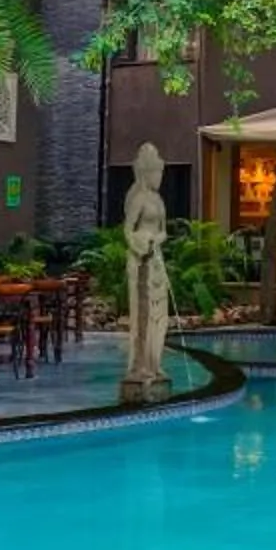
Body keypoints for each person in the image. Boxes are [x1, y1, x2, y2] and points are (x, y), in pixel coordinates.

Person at [121, 142, 172, 404]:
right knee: (143, 312)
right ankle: (141, 364)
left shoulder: (159, 200)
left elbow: (164, 230)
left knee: (159, 313)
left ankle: (155, 362)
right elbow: (127, 230)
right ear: (146, 173)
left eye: (161, 174)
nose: (159, 178)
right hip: (141, 259)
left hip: (156, 258)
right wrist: (141, 244)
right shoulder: (139, 199)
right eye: (156, 173)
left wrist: (157, 240)